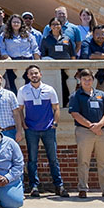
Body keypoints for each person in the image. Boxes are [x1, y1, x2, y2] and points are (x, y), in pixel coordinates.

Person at [16, 64, 67, 198]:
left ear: (40, 74)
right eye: (31, 73)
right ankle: (34, 186)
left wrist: (55, 123)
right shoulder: (23, 90)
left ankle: (59, 185)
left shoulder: (49, 89)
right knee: (32, 159)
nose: (34, 75)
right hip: (31, 129)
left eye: (36, 73)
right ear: (28, 76)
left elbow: (56, 108)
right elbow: (20, 109)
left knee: (53, 158)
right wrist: (23, 124)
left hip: (48, 129)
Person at [68, 67, 104, 200]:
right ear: (80, 80)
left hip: (101, 131)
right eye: (84, 79)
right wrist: (91, 126)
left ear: (93, 80)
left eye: (89, 79)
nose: (87, 82)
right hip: (84, 131)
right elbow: (75, 113)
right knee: (83, 161)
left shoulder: (101, 94)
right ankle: (83, 189)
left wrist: (99, 125)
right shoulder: (76, 96)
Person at [0, 13, 39, 90]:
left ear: (21, 24)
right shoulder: (4, 35)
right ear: (10, 23)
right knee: (13, 84)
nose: (16, 24)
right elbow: (2, 49)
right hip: (12, 61)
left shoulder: (28, 34)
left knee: (28, 84)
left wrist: (37, 61)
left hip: (27, 61)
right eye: (14, 22)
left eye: (18, 22)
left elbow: (34, 48)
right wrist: (7, 57)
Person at [80, 24, 104, 88]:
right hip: (88, 76)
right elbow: (86, 55)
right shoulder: (86, 42)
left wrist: (99, 55)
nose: (100, 36)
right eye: (97, 34)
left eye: (103, 34)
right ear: (93, 34)